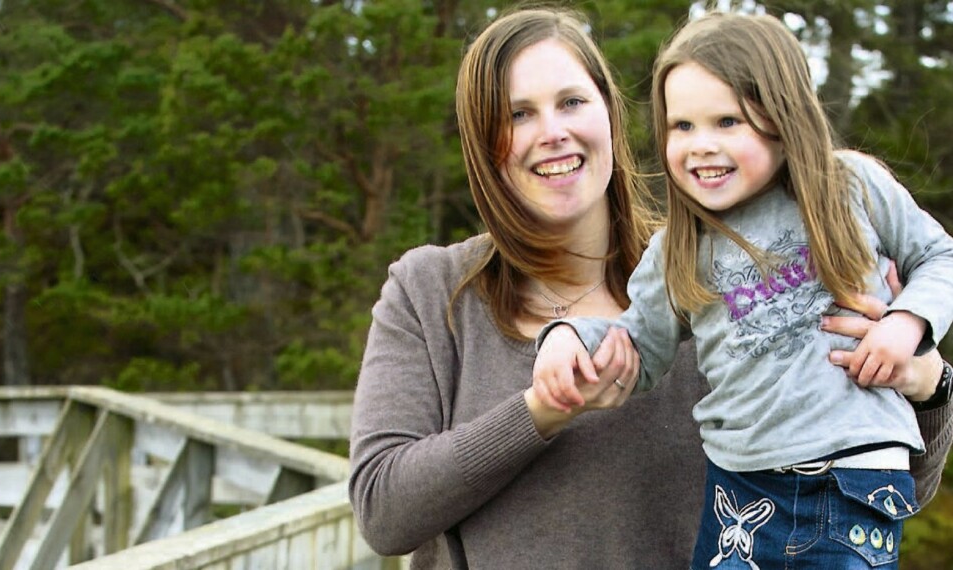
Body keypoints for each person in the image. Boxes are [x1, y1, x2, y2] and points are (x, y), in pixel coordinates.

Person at [348, 6, 953, 569]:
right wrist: (540, 409)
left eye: (571, 102)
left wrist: (928, 383)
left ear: (611, 114)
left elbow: (895, 492)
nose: (552, 131)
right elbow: (385, 513)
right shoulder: (432, 290)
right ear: (484, 142)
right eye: (518, 113)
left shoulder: (715, 263)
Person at [532, 10, 953, 569]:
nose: (700, 145)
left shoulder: (845, 186)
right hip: (740, 493)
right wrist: (568, 339)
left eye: (727, 122)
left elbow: (940, 255)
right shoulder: (680, 246)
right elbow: (637, 346)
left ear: (782, 116)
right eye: (682, 127)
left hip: (852, 476)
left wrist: (908, 324)